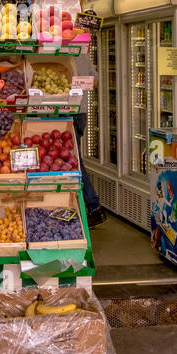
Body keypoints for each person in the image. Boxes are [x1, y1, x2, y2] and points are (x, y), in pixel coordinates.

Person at [72, 44, 103, 227]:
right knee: (76, 158)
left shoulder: (61, 52)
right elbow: (96, 82)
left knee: (75, 160)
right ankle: (90, 206)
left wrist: (72, 84)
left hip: (68, 112)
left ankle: (93, 206)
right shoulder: (83, 53)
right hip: (81, 112)